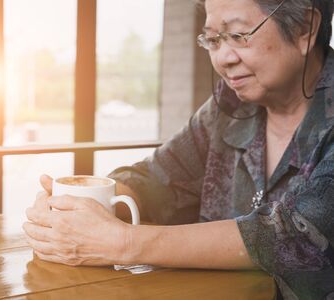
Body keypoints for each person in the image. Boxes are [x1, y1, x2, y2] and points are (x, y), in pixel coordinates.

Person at [23, 0, 334, 298]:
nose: (223, 58)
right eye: (213, 39)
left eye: (239, 35)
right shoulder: (227, 107)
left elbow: (300, 234)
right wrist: (77, 210)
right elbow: (154, 177)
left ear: (304, 28)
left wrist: (123, 242)